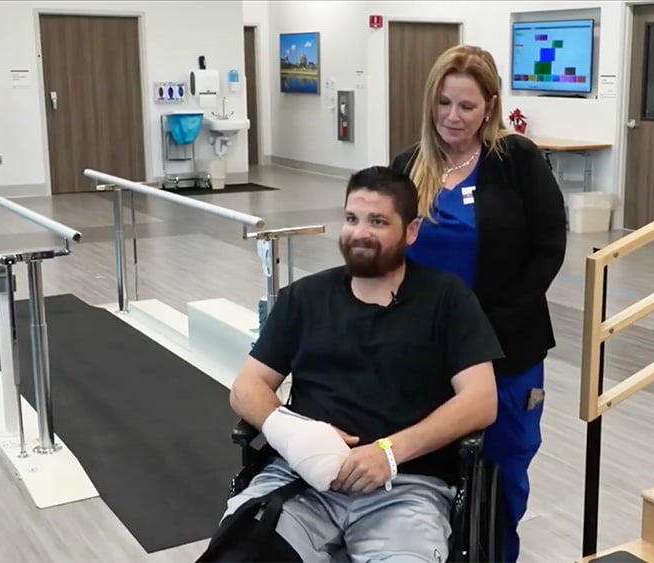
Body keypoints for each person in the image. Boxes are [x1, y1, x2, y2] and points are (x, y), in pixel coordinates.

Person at [202, 165, 503, 562]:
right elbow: (246, 388)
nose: (360, 232)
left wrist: (389, 453)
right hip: (300, 482)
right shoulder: (305, 298)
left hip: (405, 489)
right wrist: (299, 437)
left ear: (411, 231)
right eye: (351, 218)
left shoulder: (448, 299)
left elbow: (481, 400)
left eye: (377, 221)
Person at [390, 44, 567, 560]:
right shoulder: (409, 166)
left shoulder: (516, 161)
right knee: (429, 469)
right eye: (444, 103)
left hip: (506, 350)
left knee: (503, 470)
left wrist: (483, 329)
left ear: (490, 106)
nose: (453, 116)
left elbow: (548, 249)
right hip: (426, 353)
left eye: (467, 106)